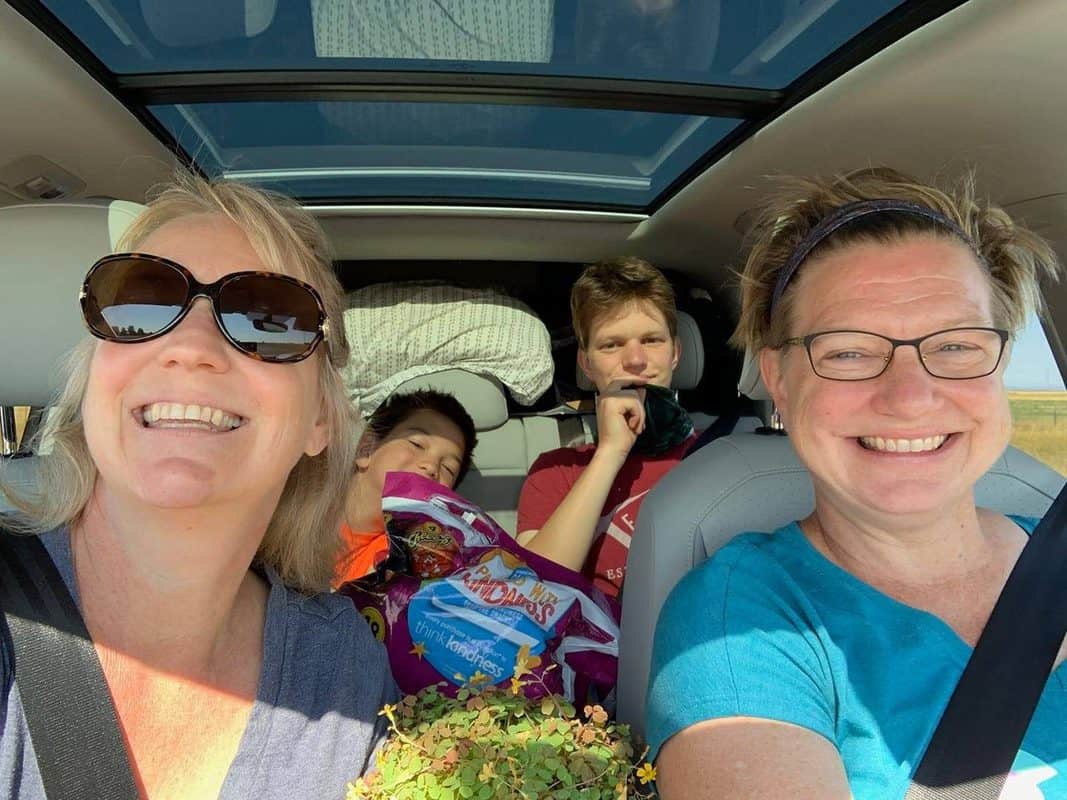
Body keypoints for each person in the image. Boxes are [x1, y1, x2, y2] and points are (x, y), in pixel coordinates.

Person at [646, 167, 1067, 799]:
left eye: (956, 346)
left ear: (999, 363)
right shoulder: (745, 624)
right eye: (848, 351)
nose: (910, 398)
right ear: (780, 380)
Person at [0, 174, 395, 800]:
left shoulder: (342, 667)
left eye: (270, 316)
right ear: (94, 377)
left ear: (320, 419)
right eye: (140, 302)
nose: (190, 346)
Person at [516, 257, 696, 598]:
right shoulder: (556, 473)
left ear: (675, 353)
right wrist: (610, 453)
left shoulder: (721, 459)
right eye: (611, 345)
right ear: (586, 364)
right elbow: (535, 592)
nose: (635, 360)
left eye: (652, 340)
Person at [335, 389, 478, 586]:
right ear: (366, 449)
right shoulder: (294, 510)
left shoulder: (421, 566)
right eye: (417, 444)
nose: (431, 467)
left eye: (448, 468)